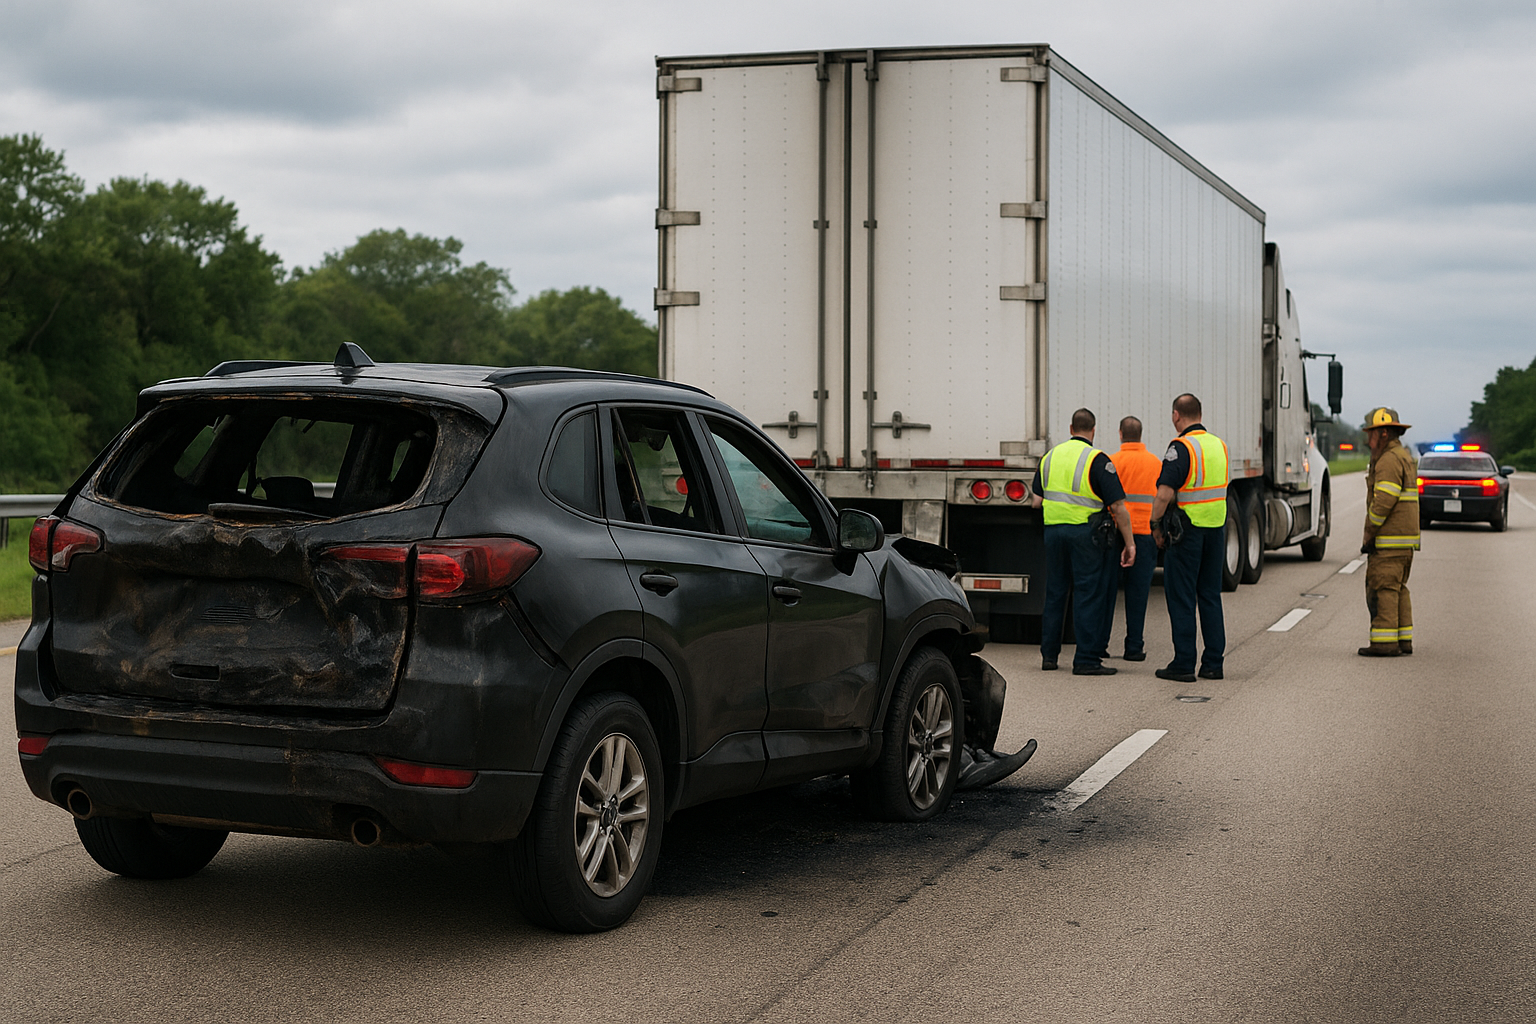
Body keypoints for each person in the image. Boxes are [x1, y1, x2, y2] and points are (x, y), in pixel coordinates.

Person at [1031, 408, 1136, 675]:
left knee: (1055, 592)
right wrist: (1130, 543)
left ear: (1070, 428)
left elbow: (1036, 502)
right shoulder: (1097, 460)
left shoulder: (1049, 457)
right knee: (1088, 593)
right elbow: (1119, 507)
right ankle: (1086, 659)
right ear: (1093, 430)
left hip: (1054, 532)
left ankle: (1049, 656)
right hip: (1084, 536)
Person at [1149, 394, 1228, 683]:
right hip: (1216, 528)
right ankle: (1213, 664)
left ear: (1176, 416)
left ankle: (1183, 664)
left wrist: (1155, 525)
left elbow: (1164, 495)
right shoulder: (1219, 445)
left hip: (1187, 532)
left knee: (1181, 597)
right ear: (1200, 413)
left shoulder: (1180, 448)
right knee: (1209, 595)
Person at [1358, 407, 1419, 656]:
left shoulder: (1389, 460)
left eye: (1371, 433)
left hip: (1389, 541)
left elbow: (1383, 500)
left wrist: (1369, 533)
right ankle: (1403, 640)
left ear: (1383, 433)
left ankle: (1384, 644)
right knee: (1397, 588)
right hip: (1403, 541)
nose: (1367, 440)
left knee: (1383, 588)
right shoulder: (1401, 455)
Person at [1105, 416, 1162, 661]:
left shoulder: (1111, 462)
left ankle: (1100, 645)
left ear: (1120, 434)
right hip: (1145, 535)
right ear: (1141, 435)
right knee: (1138, 594)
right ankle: (1134, 647)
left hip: (1116, 534)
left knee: (1107, 592)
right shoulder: (1155, 463)